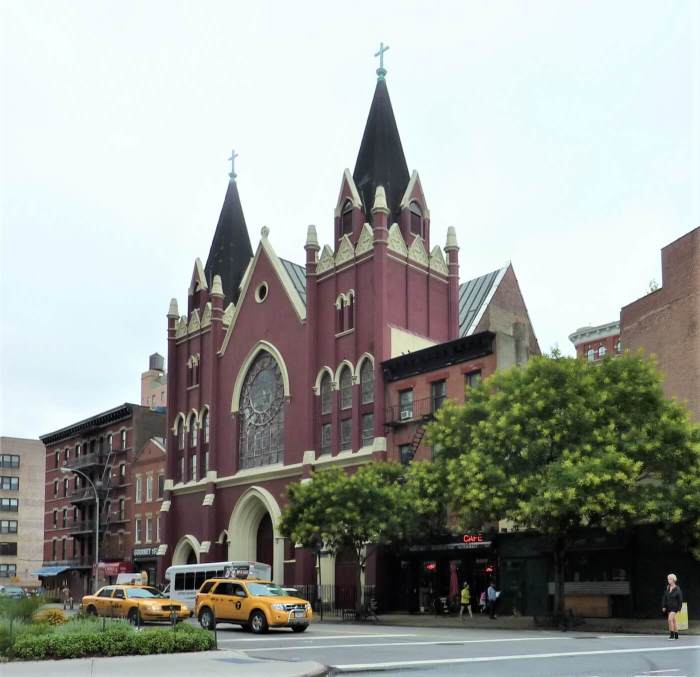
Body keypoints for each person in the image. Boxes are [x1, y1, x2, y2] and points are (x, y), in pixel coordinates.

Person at [661, 573, 683, 640]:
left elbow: (680, 599)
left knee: (670, 619)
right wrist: (664, 606)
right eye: (668, 579)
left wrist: (679, 608)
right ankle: (676, 635)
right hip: (669, 607)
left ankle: (672, 635)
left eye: (670, 579)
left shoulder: (677, 589)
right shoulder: (668, 588)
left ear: (673, 580)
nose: (668, 580)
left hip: (675, 608)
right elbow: (664, 597)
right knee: (674, 621)